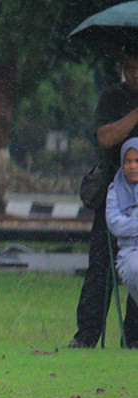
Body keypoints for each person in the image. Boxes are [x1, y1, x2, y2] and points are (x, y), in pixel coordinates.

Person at [69, 47, 138, 348]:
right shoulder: (113, 98)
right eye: (130, 67)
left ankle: (132, 338)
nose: (134, 74)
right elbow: (106, 137)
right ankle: (86, 336)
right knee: (100, 266)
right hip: (114, 192)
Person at [105, 138, 138, 326]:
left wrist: (131, 221)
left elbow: (125, 223)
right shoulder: (115, 190)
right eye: (128, 161)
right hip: (130, 253)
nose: (132, 166)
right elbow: (115, 224)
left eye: (137, 161)